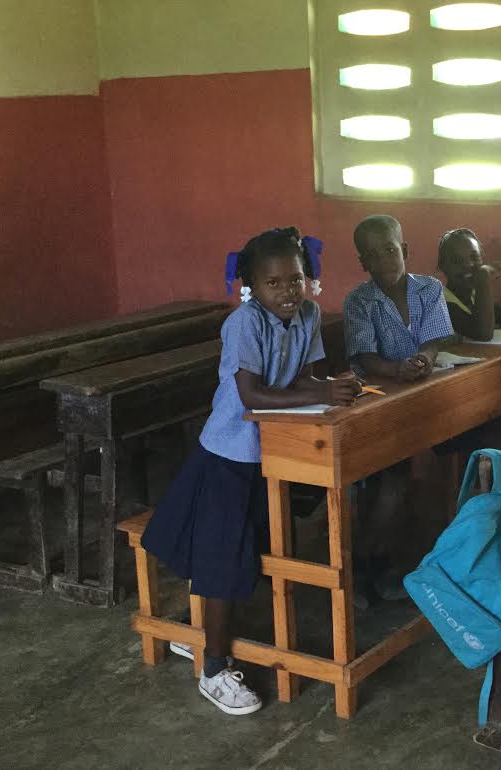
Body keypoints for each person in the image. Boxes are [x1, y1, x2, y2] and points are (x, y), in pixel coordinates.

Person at [141, 227, 360, 715]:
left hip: (270, 450)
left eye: (295, 280)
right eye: (274, 283)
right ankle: (213, 669)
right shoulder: (244, 324)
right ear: (252, 287)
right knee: (224, 557)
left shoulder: (307, 315)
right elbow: (253, 396)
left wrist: (336, 384)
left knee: (253, 549)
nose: (287, 291)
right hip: (229, 453)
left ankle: (197, 632)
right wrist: (324, 395)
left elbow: (306, 376)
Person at [343, 215, 455, 601]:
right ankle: (366, 561)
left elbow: (433, 342)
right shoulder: (359, 301)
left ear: (404, 250)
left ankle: (406, 553)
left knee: (421, 465)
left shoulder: (429, 290)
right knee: (389, 477)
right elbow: (366, 357)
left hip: (417, 393)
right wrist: (397, 369)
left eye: (390, 250)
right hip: (376, 400)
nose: (384, 260)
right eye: (372, 255)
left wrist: (422, 360)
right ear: (363, 263)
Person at [436, 227, 501, 341]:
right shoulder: (440, 304)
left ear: (482, 259)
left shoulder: (475, 298)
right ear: (442, 266)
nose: (468, 265)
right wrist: (483, 275)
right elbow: (483, 334)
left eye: (474, 257)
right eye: (456, 260)